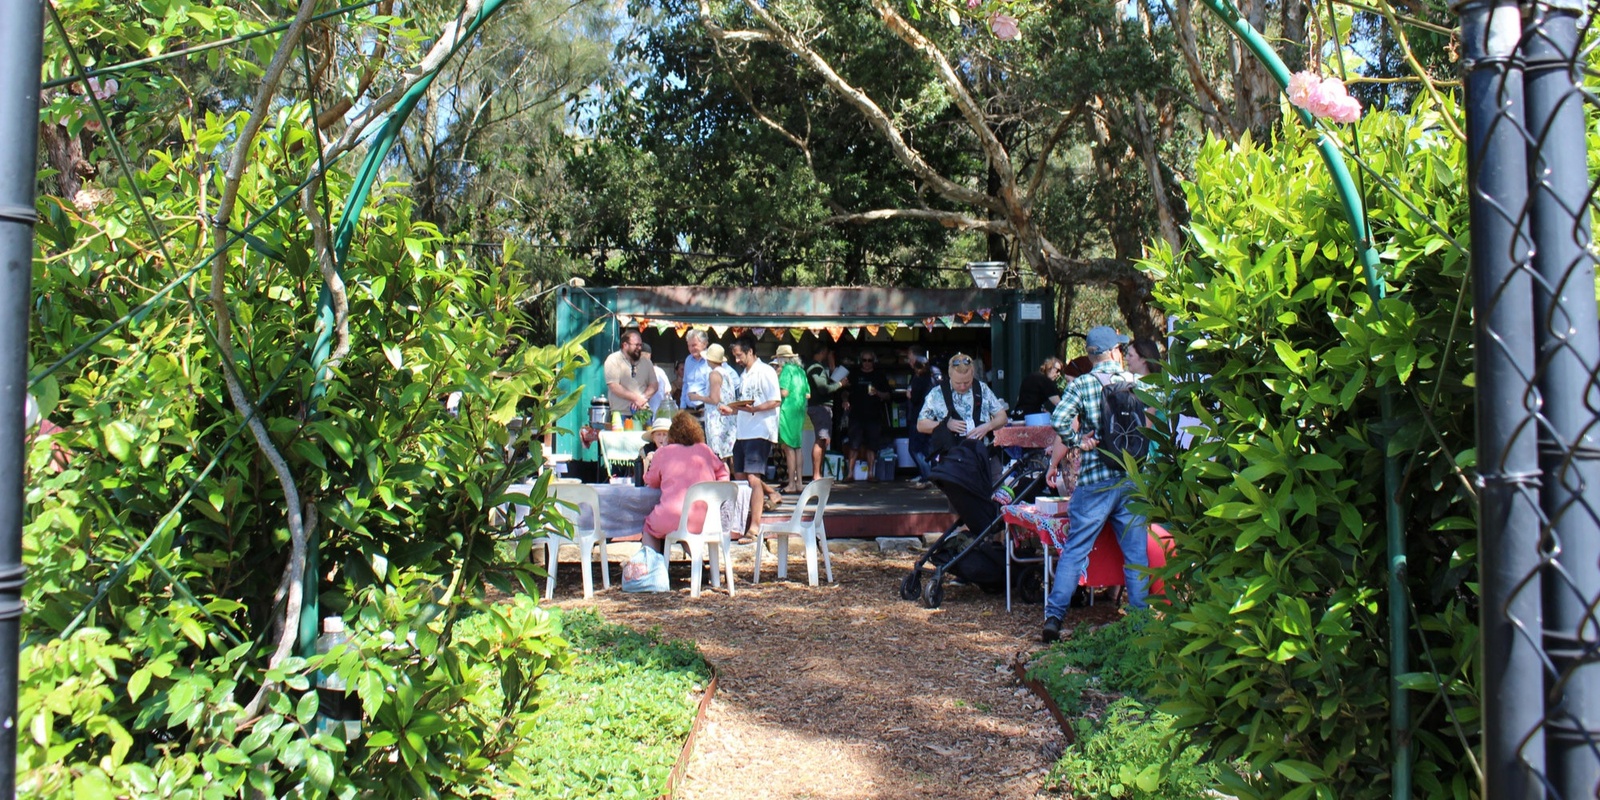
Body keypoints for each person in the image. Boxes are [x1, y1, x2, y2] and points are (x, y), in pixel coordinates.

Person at [1041, 325, 1150, 644]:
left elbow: (1058, 421)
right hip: (1131, 478)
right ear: (1115, 351)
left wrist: (1079, 442)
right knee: (1136, 555)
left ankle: (1054, 618)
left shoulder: (1083, 385)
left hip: (1094, 480)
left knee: (1075, 550)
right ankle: (1142, 624)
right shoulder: (1135, 382)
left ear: (1090, 355)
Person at [642, 411, 731, 552]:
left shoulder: (663, 453)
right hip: (704, 519)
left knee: (649, 526)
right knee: (685, 530)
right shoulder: (705, 450)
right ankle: (699, 567)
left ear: (671, 434)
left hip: (671, 516)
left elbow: (651, 482)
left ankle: (651, 567)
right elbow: (724, 476)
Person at [725, 336, 782, 535]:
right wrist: (731, 410)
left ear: (750, 352)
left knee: (753, 477)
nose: (737, 360)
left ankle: (755, 525)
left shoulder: (765, 371)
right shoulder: (744, 375)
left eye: (739, 355)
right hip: (743, 431)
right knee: (740, 475)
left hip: (760, 430)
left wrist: (754, 409)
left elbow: (775, 400)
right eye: (735, 356)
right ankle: (742, 520)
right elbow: (744, 405)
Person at [915, 352, 1009, 446]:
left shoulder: (982, 389)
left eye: (967, 382)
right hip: (950, 455)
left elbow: (1002, 417)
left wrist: (987, 426)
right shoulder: (937, 393)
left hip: (980, 453)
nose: (963, 387)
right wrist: (945, 425)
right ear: (950, 375)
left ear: (972, 374)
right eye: (958, 383)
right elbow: (921, 425)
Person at [844, 351, 891, 481]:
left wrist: (878, 393)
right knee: (853, 445)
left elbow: (888, 395)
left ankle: (871, 474)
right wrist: (845, 400)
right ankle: (850, 474)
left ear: (873, 362)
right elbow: (845, 391)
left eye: (869, 360)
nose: (867, 363)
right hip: (856, 415)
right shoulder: (854, 374)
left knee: (872, 446)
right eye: (864, 360)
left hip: (874, 415)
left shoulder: (879, 376)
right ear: (861, 361)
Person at [804, 344, 844, 481]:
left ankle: (817, 473)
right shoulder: (816, 367)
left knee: (822, 439)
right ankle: (816, 475)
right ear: (823, 351)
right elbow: (823, 388)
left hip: (815, 406)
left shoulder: (810, 366)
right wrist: (840, 385)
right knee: (821, 439)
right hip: (820, 406)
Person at [774, 345, 811, 493]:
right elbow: (808, 394)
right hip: (799, 410)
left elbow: (784, 392)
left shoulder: (786, 370)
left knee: (789, 448)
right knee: (797, 447)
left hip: (787, 410)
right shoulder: (801, 371)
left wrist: (773, 385)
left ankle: (790, 483)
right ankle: (799, 483)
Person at [604, 330, 658, 424]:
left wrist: (642, 398)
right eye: (636, 345)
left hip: (643, 413)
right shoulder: (613, 360)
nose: (639, 348)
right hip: (621, 415)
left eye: (640, 345)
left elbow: (654, 385)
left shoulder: (646, 362)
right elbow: (614, 386)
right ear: (625, 345)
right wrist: (635, 398)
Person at [703, 344, 739, 464]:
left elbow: (714, 399)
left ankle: (722, 480)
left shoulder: (714, 374)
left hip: (717, 418)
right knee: (728, 455)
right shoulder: (727, 373)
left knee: (718, 457)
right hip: (729, 417)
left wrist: (696, 397)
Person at [906, 355, 937, 489]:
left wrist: (909, 395)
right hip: (931, 417)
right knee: (926, 448)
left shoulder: (918, 380)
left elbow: (915, 399)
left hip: (919, 417)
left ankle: (927, 477)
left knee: (914, 449)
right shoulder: (933, 378)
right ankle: (930, 476)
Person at [1016, 357, 1065, 426]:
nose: (1058, 374)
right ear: (1049, 367)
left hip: (1019, 416)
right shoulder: (1046, 381)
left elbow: (1019, 398)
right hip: (1033, 420)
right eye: (1057, 371)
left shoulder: (1030, 377)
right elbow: (1059, 404)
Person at [681, 330, 711, 422]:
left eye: (694, 345)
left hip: (705, 411)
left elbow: (711, 387)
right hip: (689, 411)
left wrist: (707, 405)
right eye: (689, 345)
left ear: (705, 344)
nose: (691, 348)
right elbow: (685, 384)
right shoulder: (688, 360)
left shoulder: (710, 360)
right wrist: (682, 407)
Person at [641, 342, 675, 419]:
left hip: (657, 415)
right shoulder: (659, 371)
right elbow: (668, 390)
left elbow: (667, 391)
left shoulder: (657, 371)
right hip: (656, 415)